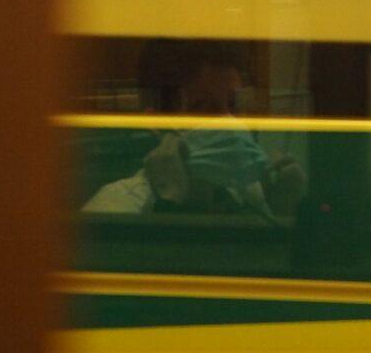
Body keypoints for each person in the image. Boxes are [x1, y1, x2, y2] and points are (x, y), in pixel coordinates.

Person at [82, 39, 307, 220]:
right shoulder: (115, 210)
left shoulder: (253, 196)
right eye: (204, 107)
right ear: (156, 123)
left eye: (233, 106)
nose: (228, 122)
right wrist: (167, 207)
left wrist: (284, 216)